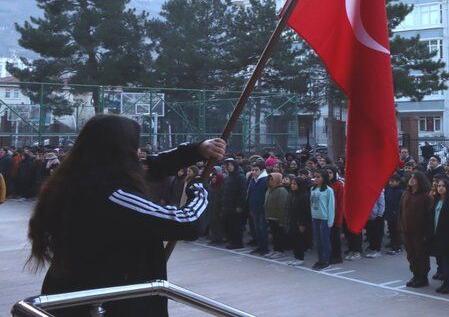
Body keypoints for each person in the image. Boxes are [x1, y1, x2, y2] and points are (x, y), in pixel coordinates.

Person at [27, 115, 225, 317]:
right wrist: (200, 190)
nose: (139, 152)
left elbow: (152, 167)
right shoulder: (112, 195)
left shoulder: (80, 178)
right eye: (134, 146)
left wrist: (197, 150)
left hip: (79, 291)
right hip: (113, 301)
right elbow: (187, 222)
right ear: (121, 150)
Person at [400, 171, 434, 288]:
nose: (412, 180)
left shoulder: (426, 197)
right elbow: (401, 212)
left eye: (414, 178)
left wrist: (427, 233)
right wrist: (401, 227)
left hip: (420, 232)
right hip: (407, 231)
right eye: (410, 178)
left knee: (421, 255)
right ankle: (415, 275)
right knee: (411, 255)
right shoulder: (405, 194)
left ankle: (423, 277)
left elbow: (430, 217)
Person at [310, 169, 335, 269]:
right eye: (315, 176)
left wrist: (330, 221)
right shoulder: (312, 189)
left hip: (324, 218)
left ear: (324, 178)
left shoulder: (328, 190)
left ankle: (326, 260)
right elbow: (311, 204)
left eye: (318, 177)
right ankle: (320, 259)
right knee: (318, 240)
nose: (315, 179)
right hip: (315, 218)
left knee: (325, 240)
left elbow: (331, 206)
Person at [222, 158, 247, 249]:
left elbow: (243, 192)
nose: (228, 167)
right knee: (229, 225)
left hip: (235, 206)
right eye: (227, 165)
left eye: (230, 165)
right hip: (227, 205)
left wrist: (240, 205)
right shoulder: (229, 177)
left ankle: (237, 243)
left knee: (236, 226)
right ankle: (231, 241)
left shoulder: (240, 176)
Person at [286, 176, 312, 266]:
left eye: (295, 184)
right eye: (292, 184)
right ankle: (296, 257)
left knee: (299, 240)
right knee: (294, 239)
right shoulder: (292, 194)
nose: (292, 186)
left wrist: (303, 224)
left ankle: (300, 258)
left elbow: (306, 212)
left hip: (300, 222)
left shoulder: (304, 196)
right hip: (292, 221)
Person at [247, 161, 270, 255]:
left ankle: (265, 247)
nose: (253, 172)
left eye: (256, 170)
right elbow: (250, 194)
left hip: (263, 209)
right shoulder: (253, 179)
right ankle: (259, 245)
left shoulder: (265, 180)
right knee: (257, 228)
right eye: (252, 170)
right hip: (254, 207)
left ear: (262, 170)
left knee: (263, 229)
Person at [264, 172, 289, 255]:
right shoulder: (269, 189)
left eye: (272, 180)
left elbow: (282, 206)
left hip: (278, 218)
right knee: (274, 235)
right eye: (269, 180)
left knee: (279, 235)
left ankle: (279, 250)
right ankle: (275, 250)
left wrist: (282, 220)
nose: (270, 182)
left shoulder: (281, 190)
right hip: (270, 217)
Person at [384, 174, 405, 254]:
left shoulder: (401, 192)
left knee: (397, 232)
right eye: (390, 181)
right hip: (389, 213)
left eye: (393, 181)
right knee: (391, 230)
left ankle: (397, 247)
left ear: (398, 182)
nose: (390, 183)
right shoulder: (388, 190)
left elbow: (402, 205)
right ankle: (393, 244)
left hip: (397, 215)